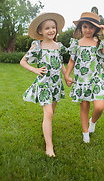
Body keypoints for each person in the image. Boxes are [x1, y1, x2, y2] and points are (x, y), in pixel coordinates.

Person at [20, 12, 71, 157]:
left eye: (53, 27)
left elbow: (60, 63)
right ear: (40, 31)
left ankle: (46, 127)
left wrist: (66, 76)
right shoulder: (37, 46)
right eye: (47, 28)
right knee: (48, 113)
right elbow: (23, 61)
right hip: (43, 84)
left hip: (56, 84)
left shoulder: (59, 46)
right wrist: (35, 69)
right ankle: (49, 146)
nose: (51, 30)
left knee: (50, 114)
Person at [64, 12, 104, 143]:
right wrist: (67, 75)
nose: (88, 30)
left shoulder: (98, 43)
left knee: (99, 107)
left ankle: (93, 122)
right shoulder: (76, 44)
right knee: (84, 106)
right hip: (81, 80)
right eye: (85, 26)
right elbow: (71, 61)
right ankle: (85, 133)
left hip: (96, 79)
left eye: (91, 27)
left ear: (96, 29)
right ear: (80, 28)